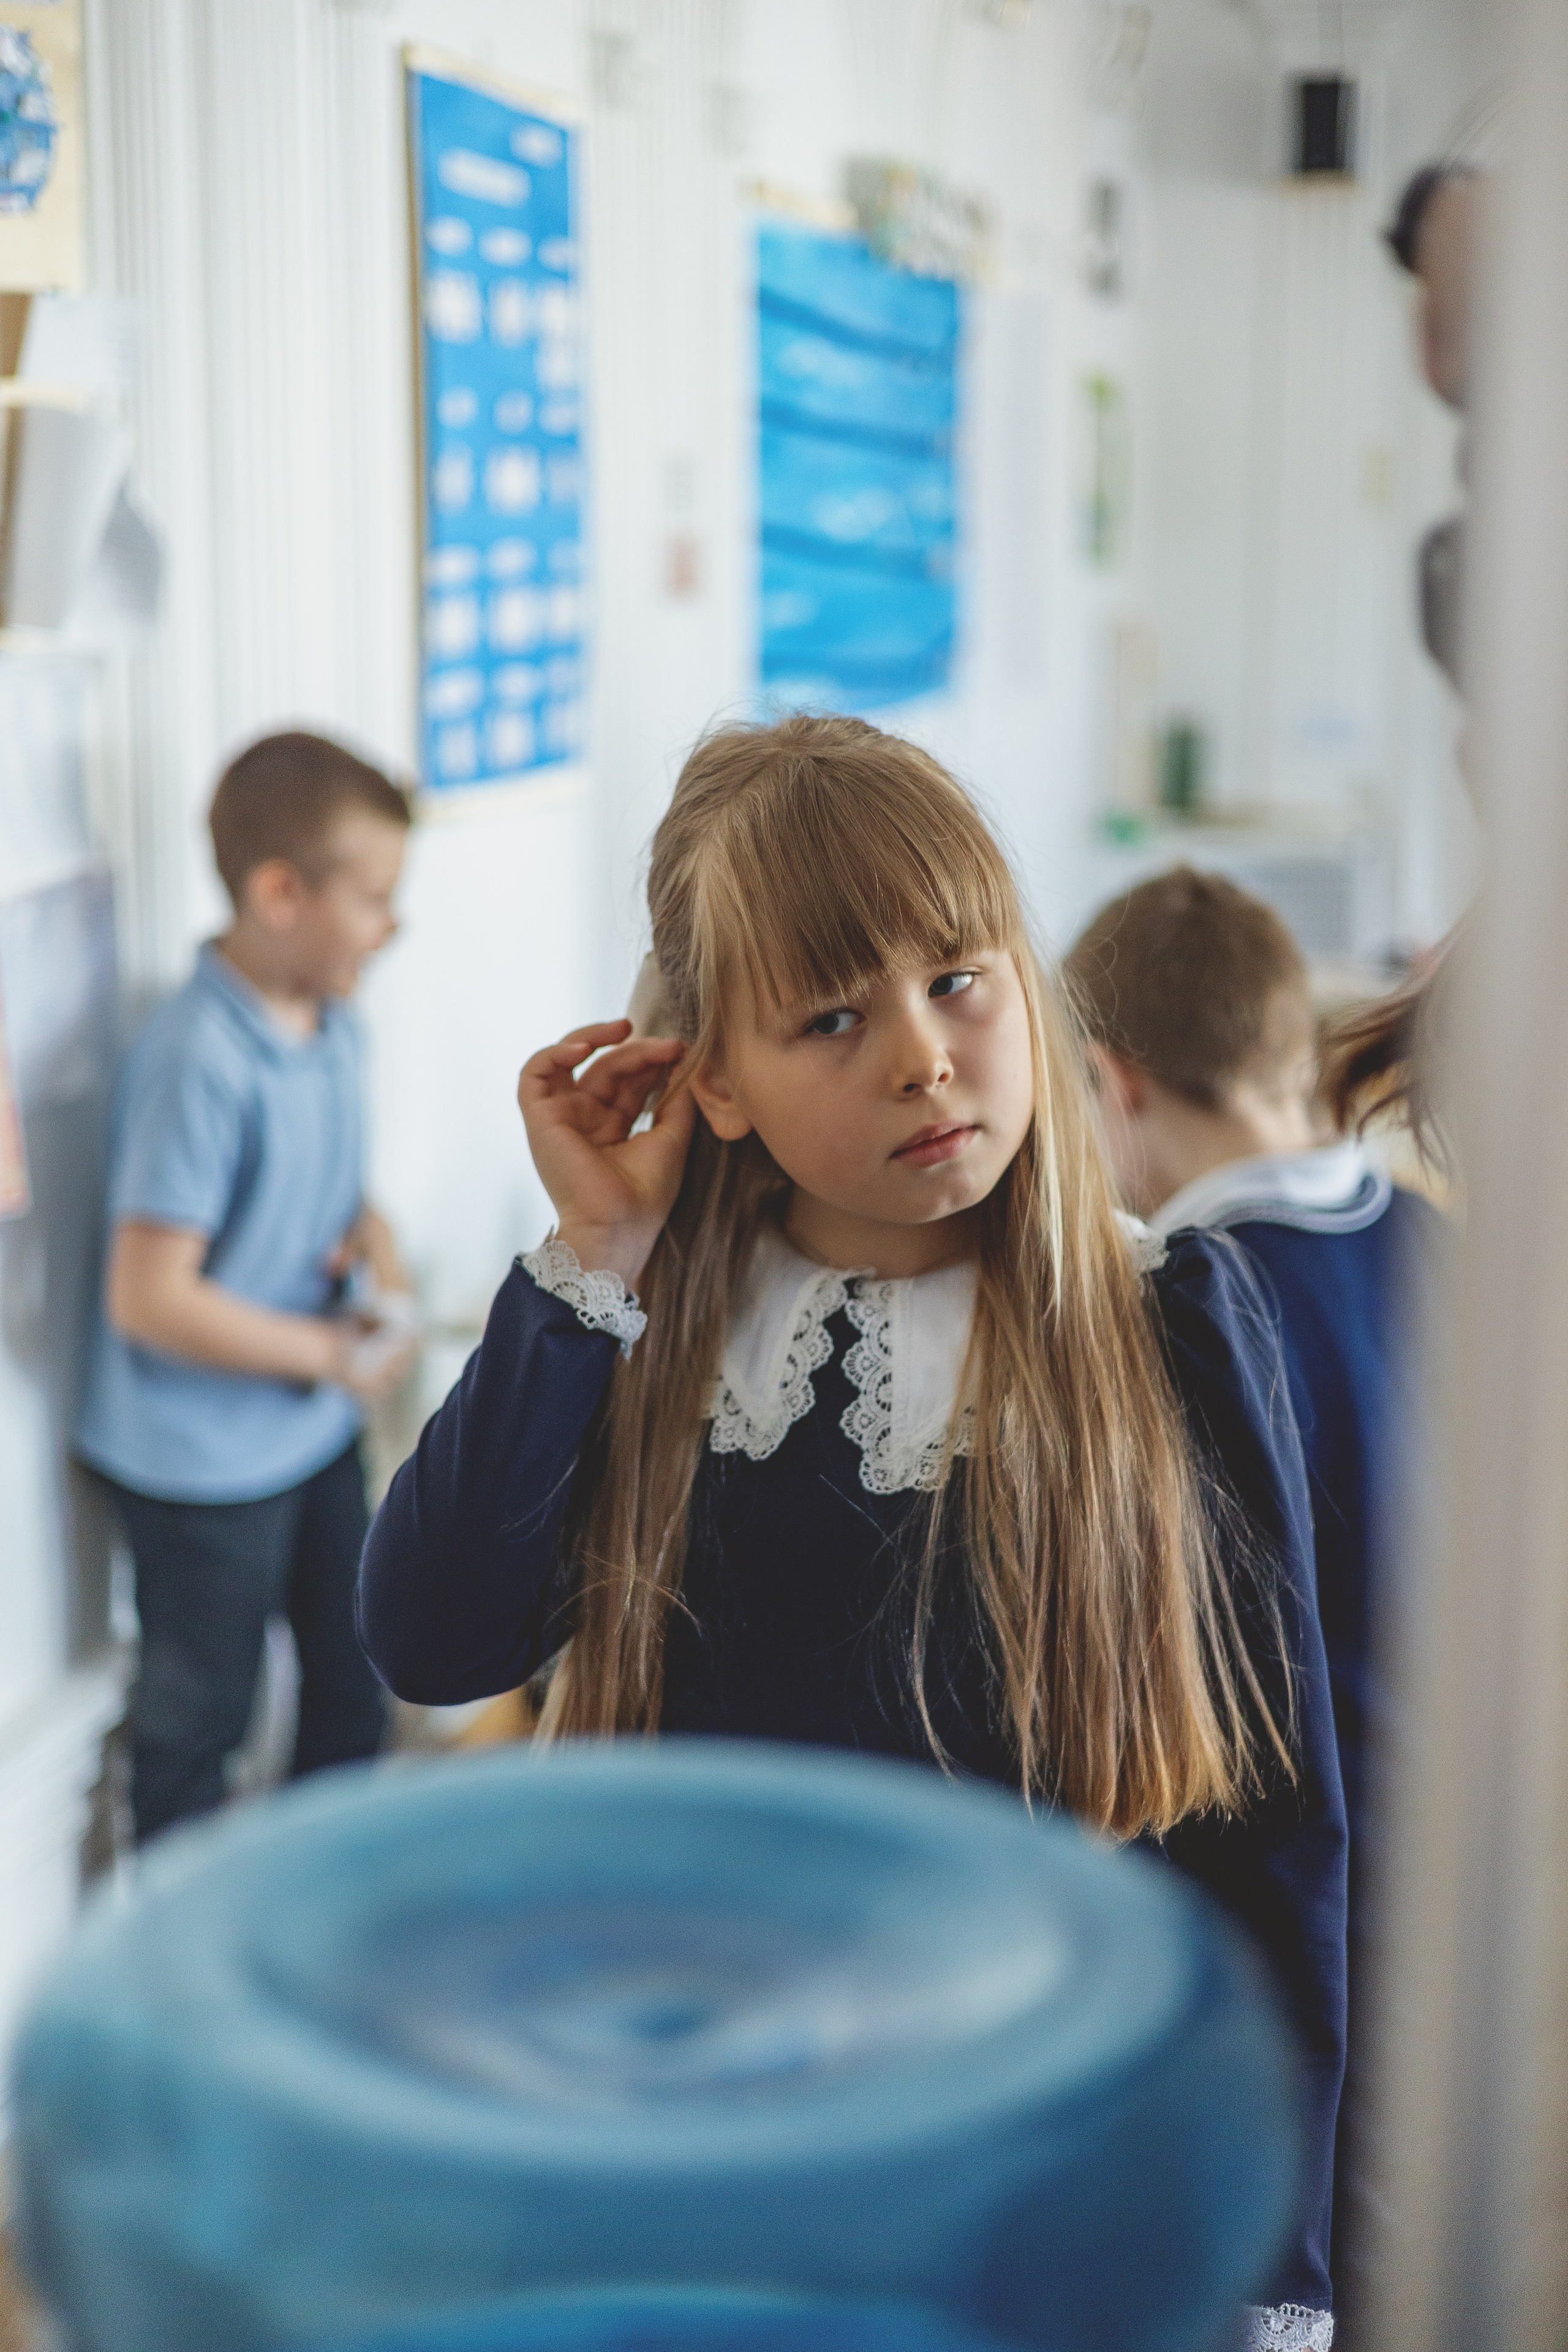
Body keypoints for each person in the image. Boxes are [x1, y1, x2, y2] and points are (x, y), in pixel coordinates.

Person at [360, 715, 1346, 2346]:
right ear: (714, 1082)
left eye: (958, 977)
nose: (922, 1055)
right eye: (831, 1016)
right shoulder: (652, 1324)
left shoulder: (1170, 1318)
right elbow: (434, 1637)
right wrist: (593, 1255)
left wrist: (1278, 2273)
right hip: (708, 2171)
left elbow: (1276, 1831)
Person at [76, 730, 418, 1845]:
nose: (391, 923)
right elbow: (149, 1298)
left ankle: (316, 1904)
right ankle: (175, 1959)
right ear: (281, 892)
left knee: (357, 1668)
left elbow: (337, 1191)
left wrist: (376, 1246)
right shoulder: (197, 1061)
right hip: (202, 1464)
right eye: (372, 896)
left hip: (309, 1431)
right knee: (202, 1716)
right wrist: (331, 1356)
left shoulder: (335, 1027)